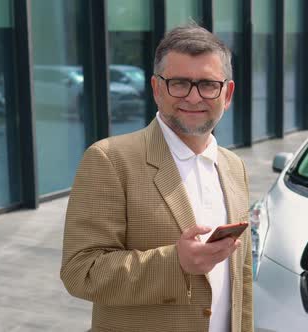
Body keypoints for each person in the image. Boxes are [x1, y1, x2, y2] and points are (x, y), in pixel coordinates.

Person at [60, 23, 253, 332]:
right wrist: (176, 263)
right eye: (178, 83)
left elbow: (241, 278)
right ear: (156, 88)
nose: (193, 98)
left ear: (227, 93)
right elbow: (80, 271)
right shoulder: (109, 160)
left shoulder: (234, 167)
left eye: (207, 84)